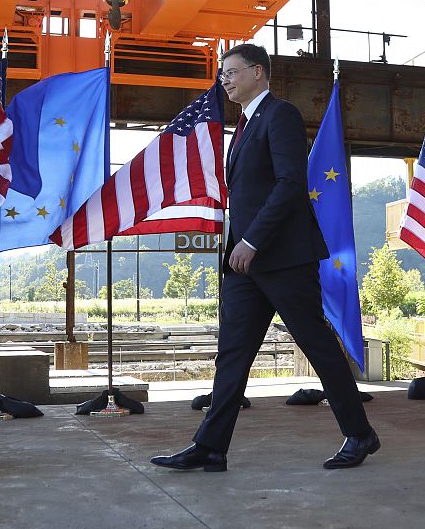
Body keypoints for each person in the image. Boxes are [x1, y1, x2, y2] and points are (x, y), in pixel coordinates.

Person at [151, 44, 377, 471]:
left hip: (283, 258)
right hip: (244, 266)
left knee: (317, 346)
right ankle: (211, 446)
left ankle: (361, 435)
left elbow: (290, 183)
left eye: (231, 72)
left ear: (257, 72)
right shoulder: (241, 127)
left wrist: (251, 240)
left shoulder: (281, 115)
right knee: (232, 353)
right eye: (222, 74)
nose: (225, 80)